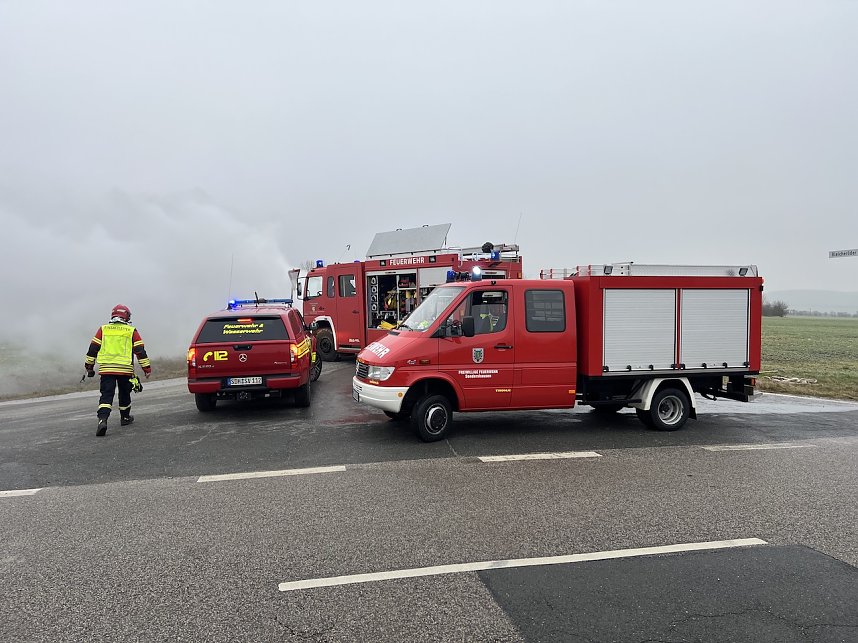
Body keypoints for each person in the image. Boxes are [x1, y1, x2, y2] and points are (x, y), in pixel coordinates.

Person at [84, 304, 151, 437]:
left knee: (106, 395)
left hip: (106, 369)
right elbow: (140, 351)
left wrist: (89, 367)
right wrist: (146, 368)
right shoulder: (131, 331)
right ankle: (125, 417)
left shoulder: (103, 329)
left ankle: (102, 420)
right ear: (126, 317)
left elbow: (92, 349)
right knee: (124, 393)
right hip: (125, 369)